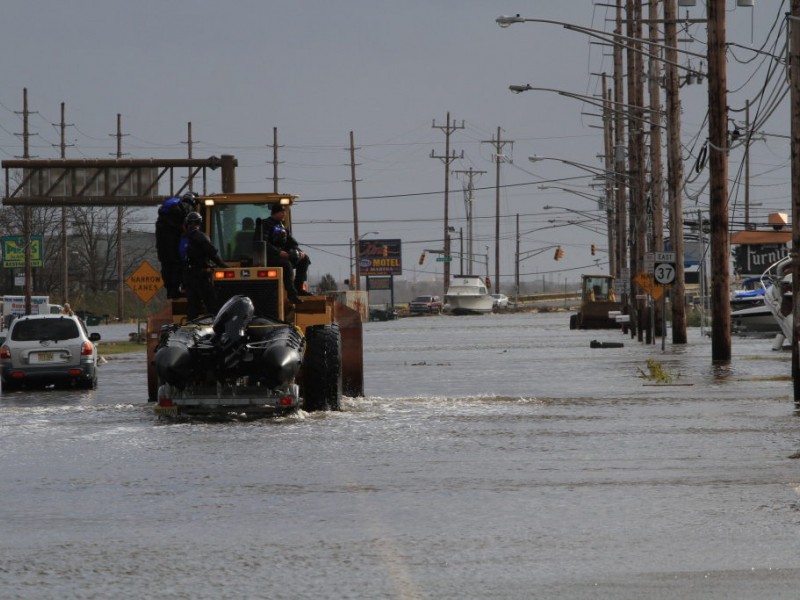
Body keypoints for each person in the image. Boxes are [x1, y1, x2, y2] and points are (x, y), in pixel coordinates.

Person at [254, 204, 311, 303]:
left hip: (282, 255)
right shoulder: (265, 225)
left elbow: (291, 242)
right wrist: (279, 252)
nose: (284, 214)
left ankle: (299, 289)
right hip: (268, 257)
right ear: (276, 213)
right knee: (286, 264)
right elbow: (263, 243)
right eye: (282, 212)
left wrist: (299, 251)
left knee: (305, 259)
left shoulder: (281, 226)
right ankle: (292, 295)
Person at [181, 211, 228, 319]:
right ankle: (216, 326)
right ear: (200, 222)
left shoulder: (183, 238)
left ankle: (190, 328)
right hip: (201, 275)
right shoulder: (201, 237)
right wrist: (225, 266)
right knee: (211, 302)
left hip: (188, 275)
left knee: (192, 304)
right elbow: (213, 254)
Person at [155, 192, 198, 298]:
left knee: (165, 264)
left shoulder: (170, 206)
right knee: (177, 263)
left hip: (160, 239)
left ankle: (169, 290)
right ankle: (175, 290)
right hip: (173, 237)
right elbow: (187, 226)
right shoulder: (188, 207)